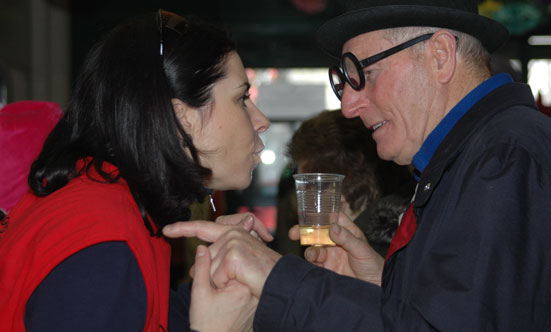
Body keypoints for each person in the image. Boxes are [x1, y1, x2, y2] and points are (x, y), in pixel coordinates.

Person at [163, 0, 551, 331]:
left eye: (362, 73)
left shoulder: (504, 159)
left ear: (440, 56)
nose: (348, 106)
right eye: (343, 82)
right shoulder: (473, 157)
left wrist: (275, 277)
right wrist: (379, 290)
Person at [0, 9, 273, 332]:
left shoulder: (106, 202)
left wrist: (213, 279)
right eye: (242, 98)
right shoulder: (105, 245)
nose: (261, 121)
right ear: (182, 118)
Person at [279, 109, 414, 256]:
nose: (302, 205)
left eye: (307, 192)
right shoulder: (416, 235)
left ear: (336, 199)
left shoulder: (347, 265)